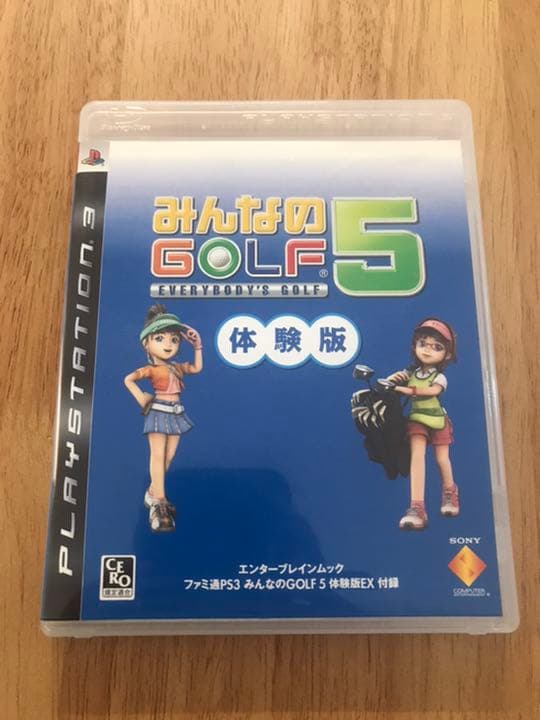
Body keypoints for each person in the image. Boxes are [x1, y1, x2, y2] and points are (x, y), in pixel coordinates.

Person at [124, 304, 203, 532]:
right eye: (160, 338)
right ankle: (159, 502)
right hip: (158, 411)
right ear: (146, 343)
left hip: (176, 412)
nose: (168, 345)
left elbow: (196, 368)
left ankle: (152, 493)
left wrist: (197, 346)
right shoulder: (150, 369)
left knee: (169, 457)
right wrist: (141, 397)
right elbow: (128, 379)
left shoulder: (176, 367)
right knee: (158, 456)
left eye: (174, 340)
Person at [387, 318, 458, 530]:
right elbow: (392, 383)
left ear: (447, 354)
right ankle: (417, 507)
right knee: (417, 458)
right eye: (423, 344)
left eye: (436, 347)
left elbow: (432, 391)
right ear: (415, 346)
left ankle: (450, 492)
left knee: (441, 459)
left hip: (437, 420)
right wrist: (392, 380)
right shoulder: (411, 373)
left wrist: (408, 390)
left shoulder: (440, 377)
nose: (427, 350)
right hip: (417, 419)